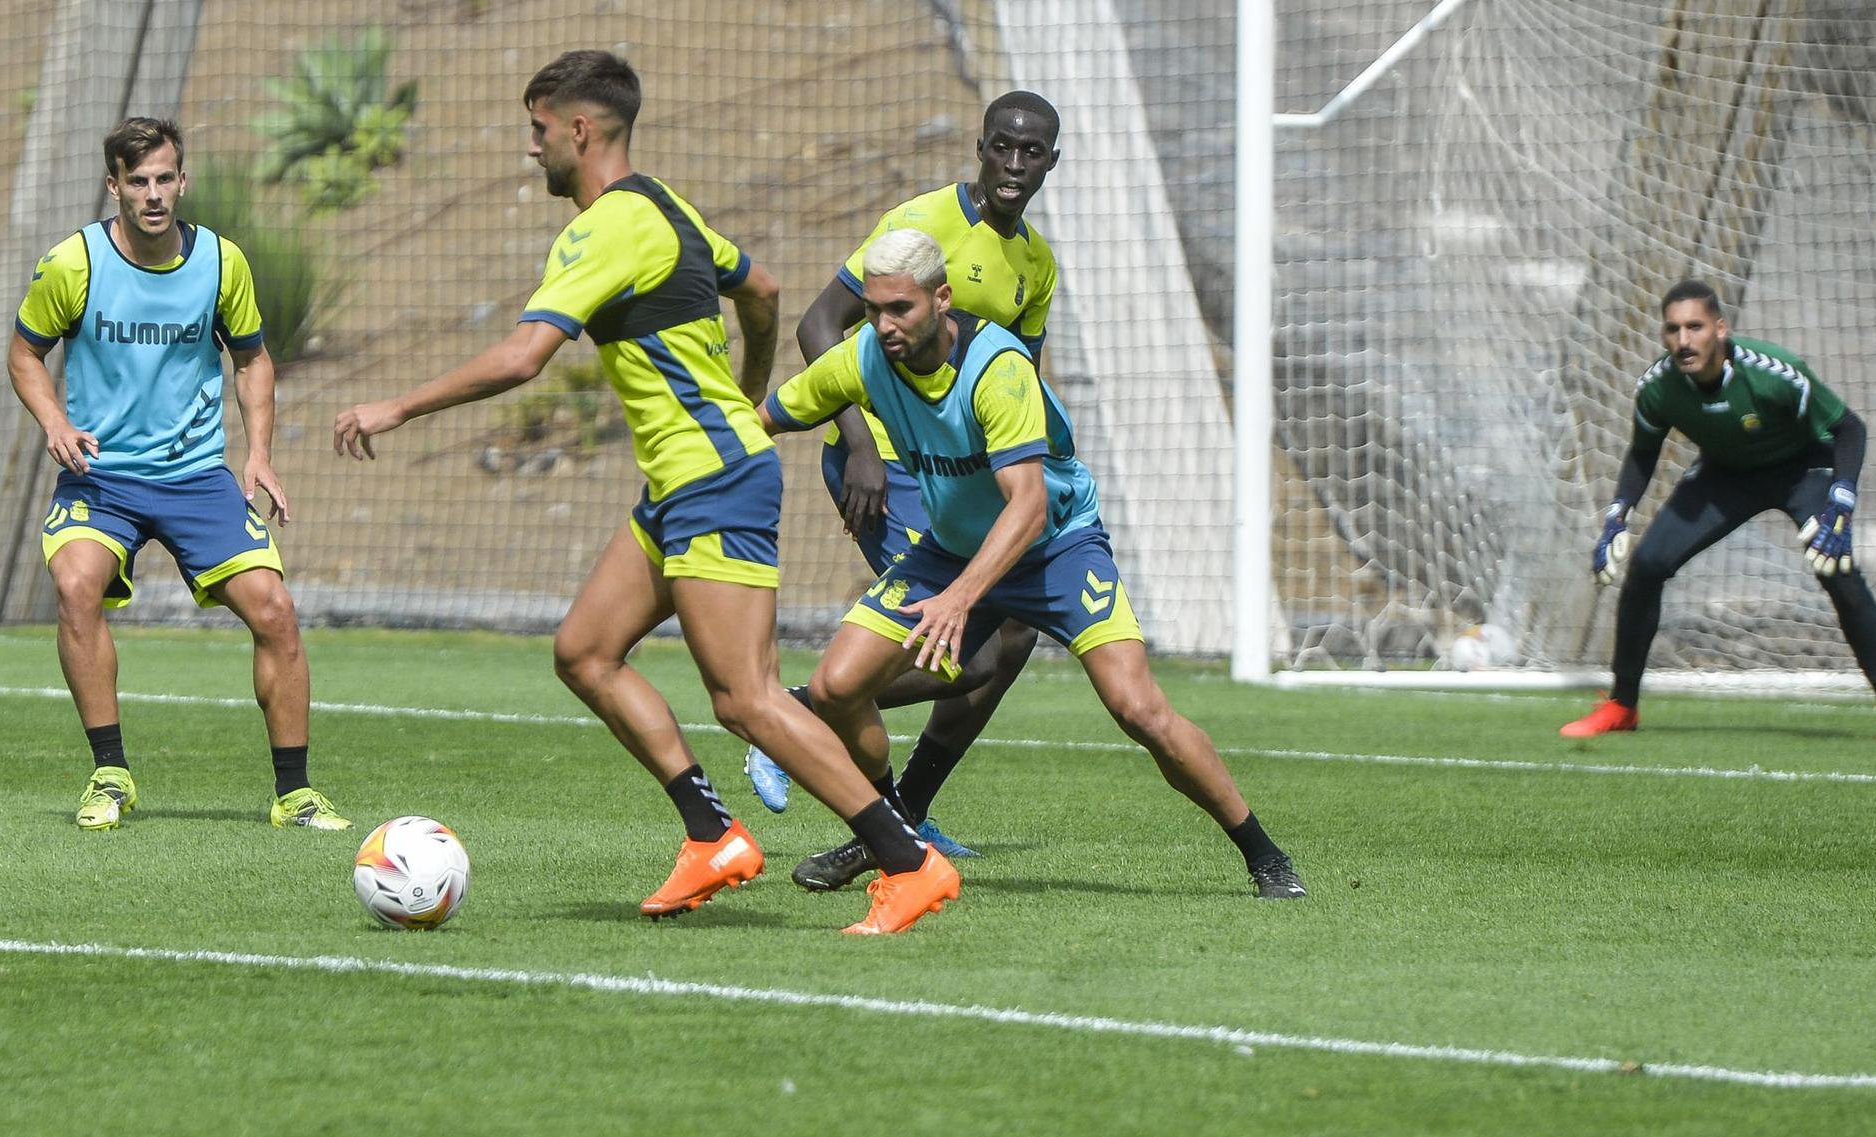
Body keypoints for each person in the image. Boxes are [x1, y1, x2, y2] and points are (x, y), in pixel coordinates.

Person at [331, 50, 957, 934]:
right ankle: (712, 834)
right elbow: (764, 288)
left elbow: (522, 357)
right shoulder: (668, 205)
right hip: (684, 480)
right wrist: (745, 389)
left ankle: (908, 860)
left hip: (713, 480)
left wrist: (396, 405)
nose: (533, 150)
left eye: (539, 132)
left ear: (579, 129)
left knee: (746, 697)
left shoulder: (606, 227)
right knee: (585, 650)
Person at [757, 228, 1308, 901]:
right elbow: (769, 416)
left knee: (1139, 709)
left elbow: (1027, 506)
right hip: (954, 547)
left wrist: (960, 599)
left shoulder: (998, 368)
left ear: (941, 298)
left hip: (1056, 544)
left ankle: (1263, 853)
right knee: (838, 685)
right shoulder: (866, 357)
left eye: (899, 308)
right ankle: (891, 837)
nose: (883, 324)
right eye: (873, 308)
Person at [743, 92, 1062, 886]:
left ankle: (904, 812)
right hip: (886, 463)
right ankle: (800, 709)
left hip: (963, 476)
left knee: (1013, 638)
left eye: (1032, 153)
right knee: (976, 650)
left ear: (1051, 162)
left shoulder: (1038, 266)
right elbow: (820, 323)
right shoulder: (922, 223)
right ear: (980, 149)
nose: (1015, 166)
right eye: (1003, 149)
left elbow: (1018, 382)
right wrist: (858, 445)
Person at [7, 116, 348, 831]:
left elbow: (252, 358)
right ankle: (110, 773)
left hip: (196, 477)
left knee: (275, 610)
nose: (154, 193)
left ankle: (295, 792)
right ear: (115, 186)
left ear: (182, 180)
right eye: (139, 181)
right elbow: (23, 355)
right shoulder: (76, 263)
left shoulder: (222, 262)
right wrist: (55, 424)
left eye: (166, 177)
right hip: (104, 478)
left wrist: (257, 452)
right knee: (75, 584)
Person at [1564, 279, 1876, 746]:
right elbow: (1641, 453)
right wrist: (1617, 515)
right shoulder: (1658, 387)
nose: (1684, 340)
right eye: (1672, 329)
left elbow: (1849, 429)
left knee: (1839, 570)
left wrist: (1841, 502)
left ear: (1720, 329)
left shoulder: (1777, 372)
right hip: (1725, 475)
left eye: (1695, 327)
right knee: (1648, 565)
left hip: (1802, 469)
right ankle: (1621, 705)